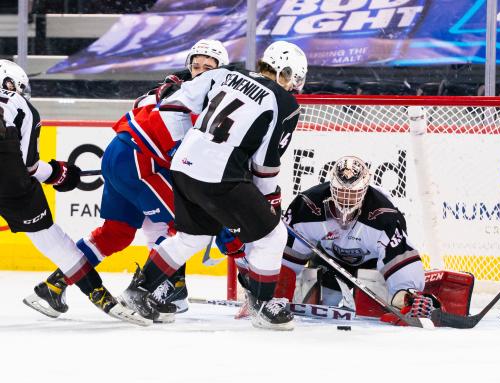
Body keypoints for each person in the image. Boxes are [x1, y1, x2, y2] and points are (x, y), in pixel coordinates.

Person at [23, 39, 229, 321]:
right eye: (197, 65)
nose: (201, 71)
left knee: (116, 233)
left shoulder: (166, 88)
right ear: (188, 67)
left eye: (208, 66)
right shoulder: (199, 98)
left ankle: (53, 285)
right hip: (139, 160)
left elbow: (141, 111)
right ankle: (158, 289)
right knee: (184, 222)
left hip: (119, 154)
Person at [118, 41, 308, 330]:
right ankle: (262, 305)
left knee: (190, 238)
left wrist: (188, 144)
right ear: (287, 72)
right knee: (273, 235)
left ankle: (138, 291)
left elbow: (171, 101)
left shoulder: (228, 74)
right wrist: (269, 200)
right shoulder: (284, 102)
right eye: (295, 79)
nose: (295, 86)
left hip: (182, 166)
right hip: (219, 176)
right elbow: (265, 165)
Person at [0, 59, 148, 326]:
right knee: (49, 236)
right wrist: (59, 173)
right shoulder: (21, 106)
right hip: (7, 178)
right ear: (10, 83)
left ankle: (56, 290)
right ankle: (98, 293)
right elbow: (27, 166)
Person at [278, 156, 440, 322]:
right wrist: (270, 289)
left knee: (373, 311)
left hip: (372, 268)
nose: (346, 200)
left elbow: (398, 258)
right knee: (320, 298)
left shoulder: (384, 216)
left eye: (353, 194)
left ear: (364, 190)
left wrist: (408, 295)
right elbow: (286, 260)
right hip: (328, 262)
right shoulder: (307, 206)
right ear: (332, 188)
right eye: (341, 192)